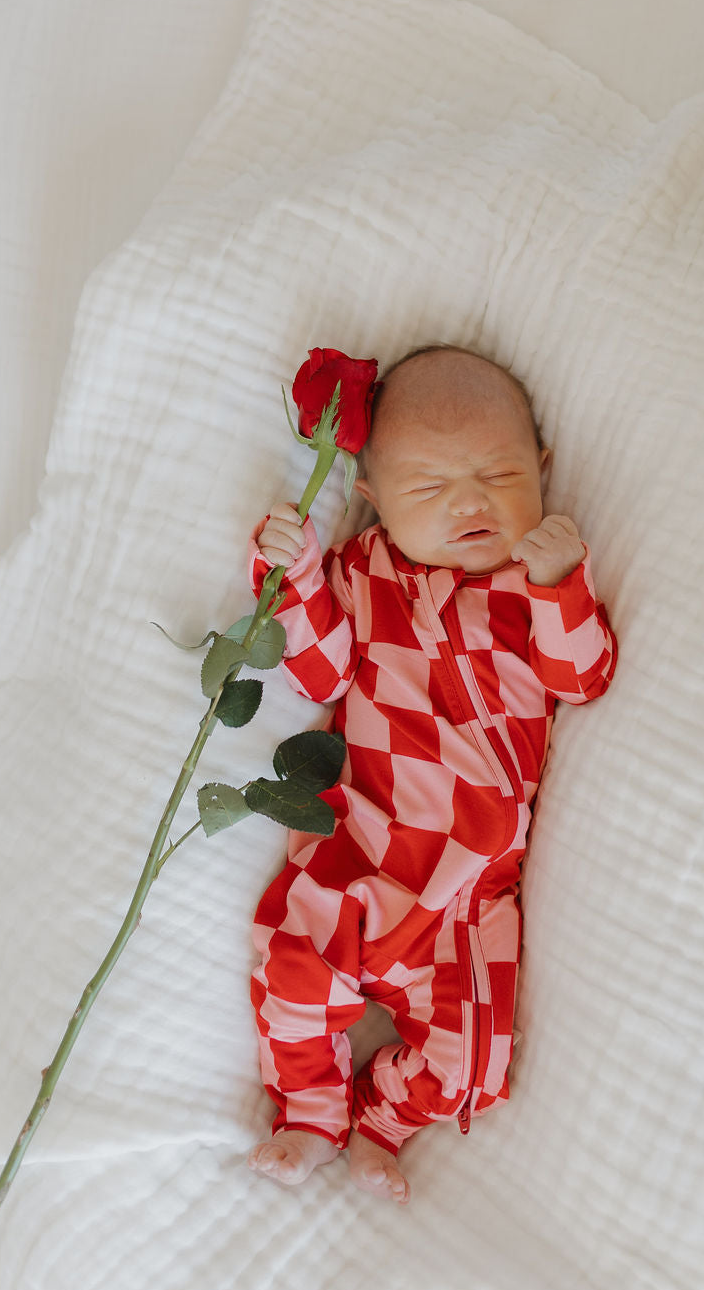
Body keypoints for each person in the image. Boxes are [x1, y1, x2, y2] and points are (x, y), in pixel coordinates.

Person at [246, 345, 617, 1204]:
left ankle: (383, 1119)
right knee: (289, 964)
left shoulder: (534, 588)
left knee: (478, 1060)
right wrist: (295, 575)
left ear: (542, 470)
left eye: (498, 472)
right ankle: (308, 1110)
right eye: (428, 488)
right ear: (372, 501)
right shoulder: (366, 572)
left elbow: (585, 676)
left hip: (467, 900)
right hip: (360, 858)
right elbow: (322, 671)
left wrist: (565, 586)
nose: (469, 501)